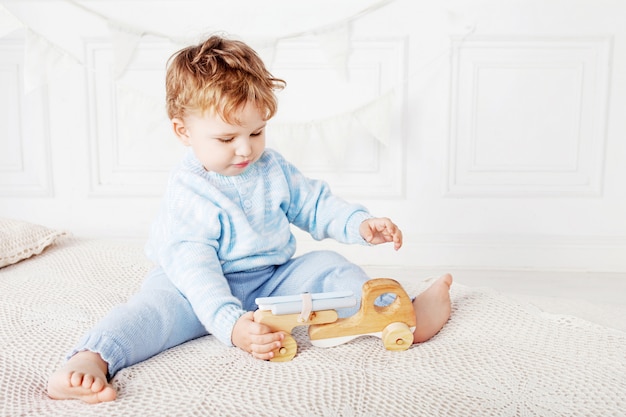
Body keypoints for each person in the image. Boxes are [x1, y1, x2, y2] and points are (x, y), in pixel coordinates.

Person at [47, 35, 453, 404]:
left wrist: (358, 224)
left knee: (327, 267)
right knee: (150, 315)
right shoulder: (190, 192)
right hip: (191, 288)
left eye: (257, 133)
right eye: (227, 138)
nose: (245, 149)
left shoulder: (271, 168)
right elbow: (196, 269)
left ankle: (395, 313)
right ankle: (90, 360)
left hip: (269, 278)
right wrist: (230, 325)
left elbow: (312, 204)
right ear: (183, 131)